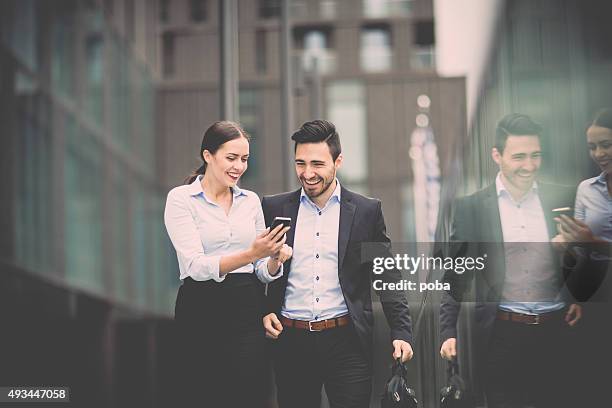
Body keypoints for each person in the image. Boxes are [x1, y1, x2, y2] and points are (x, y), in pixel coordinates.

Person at [260, 120, 414, 408]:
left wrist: (402, 332)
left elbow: (387, 275)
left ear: (338, 161)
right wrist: (264, 310)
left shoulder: (367, 212)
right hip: (291, 342)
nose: (307, 173)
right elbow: (258, 271)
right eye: (300, 163)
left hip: (347, 342)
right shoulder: (273, 208)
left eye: (317, 164)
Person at [439, 113, 582, 408]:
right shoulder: (471, 209)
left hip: (556, 333)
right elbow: (456, 275)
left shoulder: (562, 198)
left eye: (535, 156)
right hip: (501, 336)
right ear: (497, 155)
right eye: (519, 157)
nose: (529, 166)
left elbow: (585, 262)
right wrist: (447, 333)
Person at [164, 121, 292, 407]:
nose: (239, 166)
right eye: (231, 158)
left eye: (244, 159)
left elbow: (258, 270)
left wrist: (273, 259)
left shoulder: (250, 202)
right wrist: (250, 254)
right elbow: (195, 266)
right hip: (201, 306)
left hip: (246, 307)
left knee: (247, 395)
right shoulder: (181, 199)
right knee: (202, 392)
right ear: (208, 155)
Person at [555, 108, 612, 405]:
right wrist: (567, 242)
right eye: (592, 146)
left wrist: (592, 241)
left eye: (606, 144)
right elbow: (582, 253)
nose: (599, 153)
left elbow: (591, 242)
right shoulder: (586, 190)